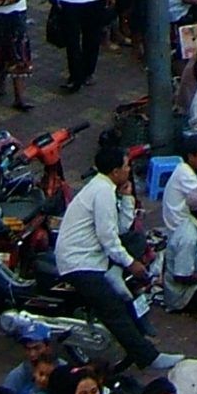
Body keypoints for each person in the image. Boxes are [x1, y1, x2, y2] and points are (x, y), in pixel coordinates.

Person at [55, 144, 161, 371]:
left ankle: (114, 271)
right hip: (80, 262)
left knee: (135, 239)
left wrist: (127, 198)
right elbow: (108, 238)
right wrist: (131, 264)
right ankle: (148, 357)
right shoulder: (101, 192)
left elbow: (121, 229)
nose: (128, 169)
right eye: (126, 166)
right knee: (114, 309)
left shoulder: (106, 189)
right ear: (114, 171)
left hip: (95, 255)